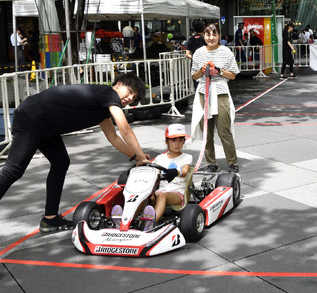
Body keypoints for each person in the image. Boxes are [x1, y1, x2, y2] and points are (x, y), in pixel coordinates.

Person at [0, 73, 151, 233]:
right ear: (119, 84)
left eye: (134, 98)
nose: (130, 98)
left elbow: (113, 137)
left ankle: (50, 219)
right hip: (32, 117)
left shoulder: (103, 107)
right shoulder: (108, 94)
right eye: (130, 91)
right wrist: (141, 155)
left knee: (60, 163)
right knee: (13, 170)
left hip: (46, 125)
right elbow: (124, 129)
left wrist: (136, 157)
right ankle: (50, 218)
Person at [191, 23, 241, 173]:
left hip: (221, 92)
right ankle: (211, 162)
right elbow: (194, 75)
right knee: (206, 130)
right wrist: (202, 70)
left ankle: (232, 162)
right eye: (208, 35)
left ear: (219, 35)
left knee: (224, 129)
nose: (211, 38)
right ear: (204, 36)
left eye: (214, 34)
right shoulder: (198, 53)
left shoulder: (226, 52)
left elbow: (233, 75)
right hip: (203, 92)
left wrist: (219, 71)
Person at [138, 124, 193, 230]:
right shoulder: (160, 158)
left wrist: (176, 172)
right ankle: (127, 222)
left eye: (180, 140)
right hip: (161, 191)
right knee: (144, 195)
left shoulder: (186, 157)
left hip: (178, 193)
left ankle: (151, 224)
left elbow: (185, 172)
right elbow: (153, 174)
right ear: (167, 141)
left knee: (162, 196)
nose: (177, 144)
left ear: (184, 141)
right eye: (173, 140)